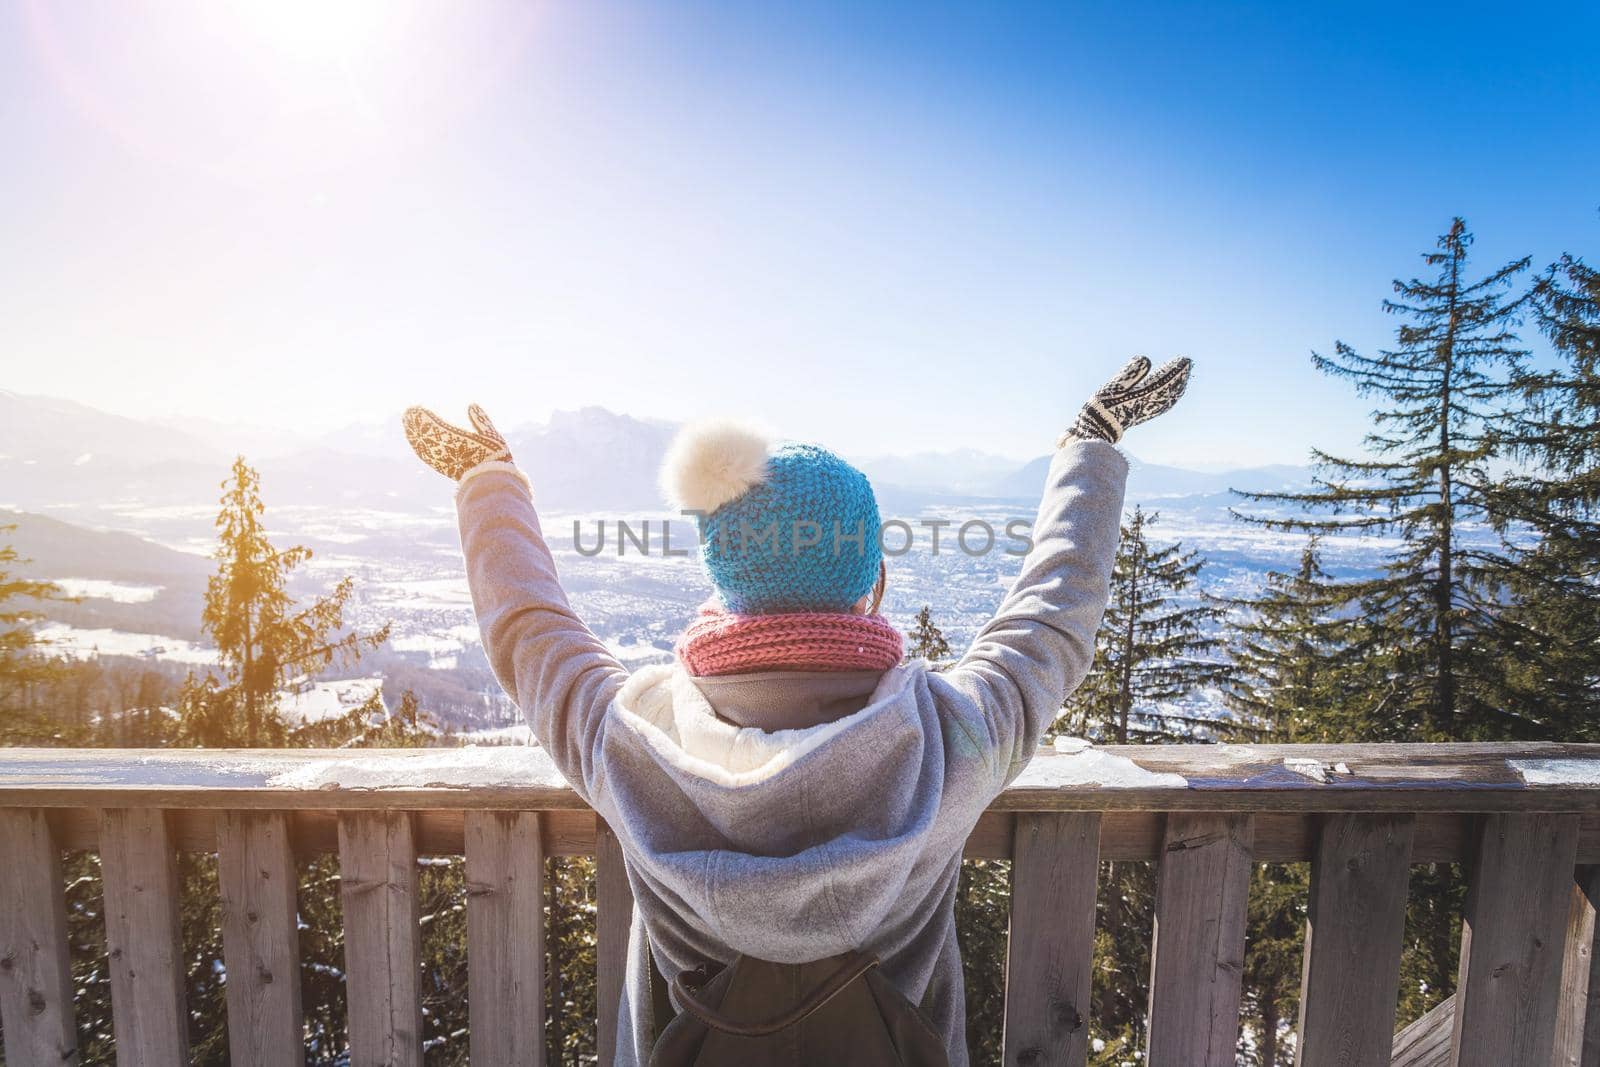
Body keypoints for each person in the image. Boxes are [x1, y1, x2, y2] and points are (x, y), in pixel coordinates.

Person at [403, 356, 1191, 1066]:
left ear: (727, 587)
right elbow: (1051, 621)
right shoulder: (948, 737)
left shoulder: (636, 735)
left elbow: (530, 632)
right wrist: (1093, 443)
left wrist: (489, 481)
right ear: (872, 584)